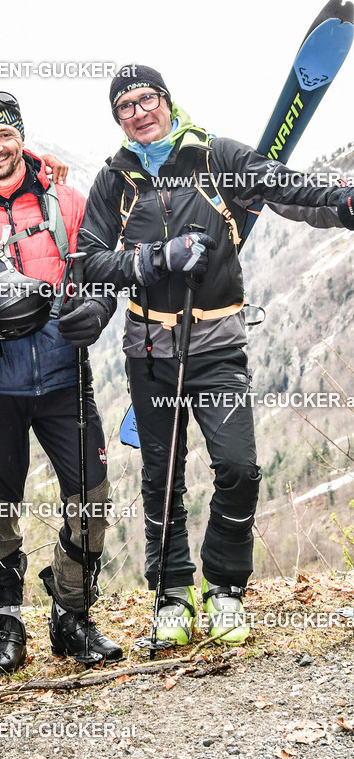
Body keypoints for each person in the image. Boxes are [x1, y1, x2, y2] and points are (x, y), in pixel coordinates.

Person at [78, 65, 354, 646]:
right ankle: (171, 595)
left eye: (145, 98)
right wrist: (157, 258)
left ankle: (225, 589)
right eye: (124, 105)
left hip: (218, 344)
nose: (137, 111)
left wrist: (345, 202)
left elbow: (287, 189)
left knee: (238, 467)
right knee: (163, 477)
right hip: (149, 350)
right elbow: (92, 264)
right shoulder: (112, 181)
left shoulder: (216, 156)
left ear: (167, 101)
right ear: (117, 118)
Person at [0, 90, 123, 677]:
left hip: (64, 379)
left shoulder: (63, 199)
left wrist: (99, 307)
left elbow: (101, 265)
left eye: (5, 134)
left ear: (20, 137)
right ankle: (6, 626)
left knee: (92, 499)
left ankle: (71, 612)